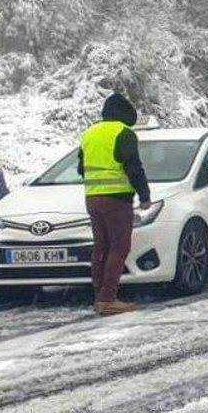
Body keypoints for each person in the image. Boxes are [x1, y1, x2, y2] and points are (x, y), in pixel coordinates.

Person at [77, 93, 151, 315]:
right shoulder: (123, 133)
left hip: (92, 198)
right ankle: (108, 299)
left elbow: (81, 168)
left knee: (101, 247)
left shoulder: (88, 134)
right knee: (119, 247)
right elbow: (133, 167)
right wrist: (144, 194)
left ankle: (100, 296)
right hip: (117, 199)